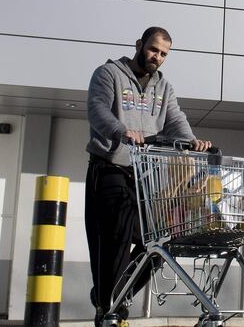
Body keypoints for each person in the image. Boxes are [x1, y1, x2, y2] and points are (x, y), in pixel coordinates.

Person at [84, 26, 212, 326]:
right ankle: (109, 307)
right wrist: (121, 130)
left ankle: (112, 295)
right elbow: (97, 109)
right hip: (109, 169)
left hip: (143, 176)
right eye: (154, 50)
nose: (157, 57)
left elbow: (175, 118)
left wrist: (191, 140)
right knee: (114, 242)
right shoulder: (108, 74)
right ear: (140, 45)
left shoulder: (163, 87)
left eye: (164, 54)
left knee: (160, 241)